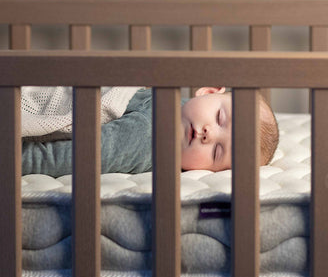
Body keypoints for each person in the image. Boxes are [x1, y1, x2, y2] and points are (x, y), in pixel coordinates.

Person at [22, 87, 279, 177]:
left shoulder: (148, 139)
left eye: (216, 151)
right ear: (209, 92)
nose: (208, 134)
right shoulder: (171, 101)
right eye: (220, 117)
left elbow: (62, 158)